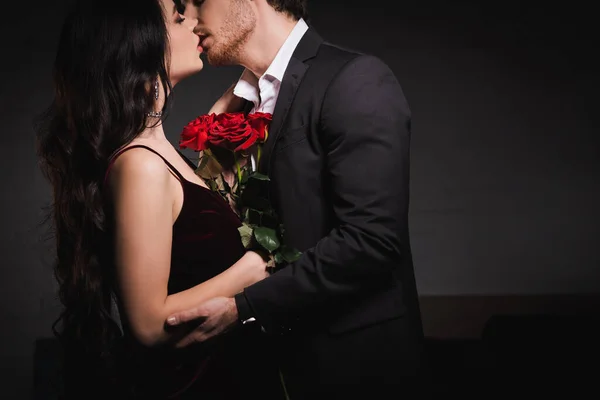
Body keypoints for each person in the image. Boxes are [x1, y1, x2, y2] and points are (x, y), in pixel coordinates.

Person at [168, 0, 425, 397]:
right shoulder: (237, 105)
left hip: (356, 372)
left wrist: (244, 307)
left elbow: (372, 240)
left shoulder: (353, 79)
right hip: (271, 372)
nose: (189, 15)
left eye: (198, 0)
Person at [35, 0, 284, 398]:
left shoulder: (159, 155)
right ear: (139, 42)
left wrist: (222, 126)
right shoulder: (140, 164)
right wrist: (254, 270)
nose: (196, 21)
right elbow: (148, 324)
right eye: (178, 15)